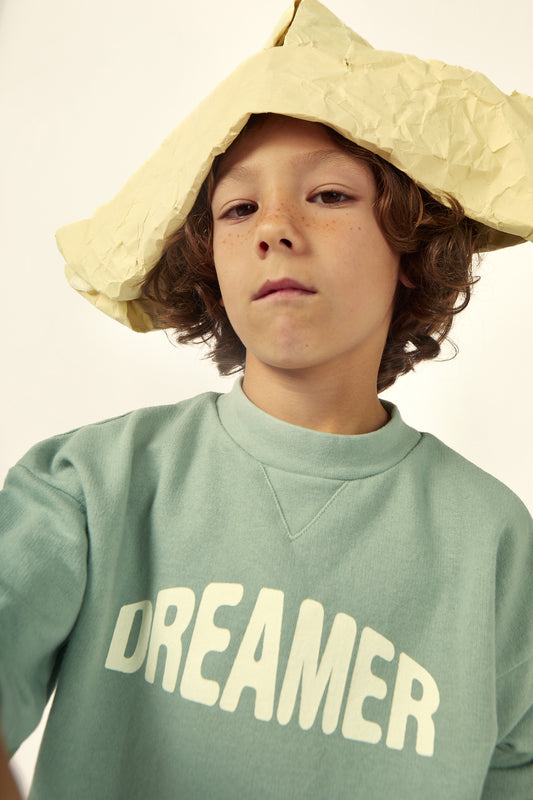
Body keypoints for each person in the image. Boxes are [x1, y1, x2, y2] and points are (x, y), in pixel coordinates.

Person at [1, 1, 532, 798]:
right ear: (209, 266)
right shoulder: (90, 485)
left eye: (329, 195)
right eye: (239, 208)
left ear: (411, 247)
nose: (273, 228)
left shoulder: (492, 543)